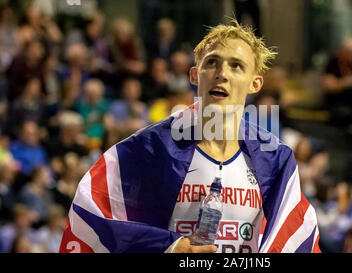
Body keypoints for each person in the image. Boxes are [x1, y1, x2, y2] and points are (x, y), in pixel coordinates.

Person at [59, 19, 320, 253]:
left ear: (255, 83)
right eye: (212, 63)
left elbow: (298, 239)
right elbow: (89, 215)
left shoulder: (274, 160)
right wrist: (171, 247)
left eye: (236, 66)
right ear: (195, 75)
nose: (222, 74)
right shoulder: (151, 148)